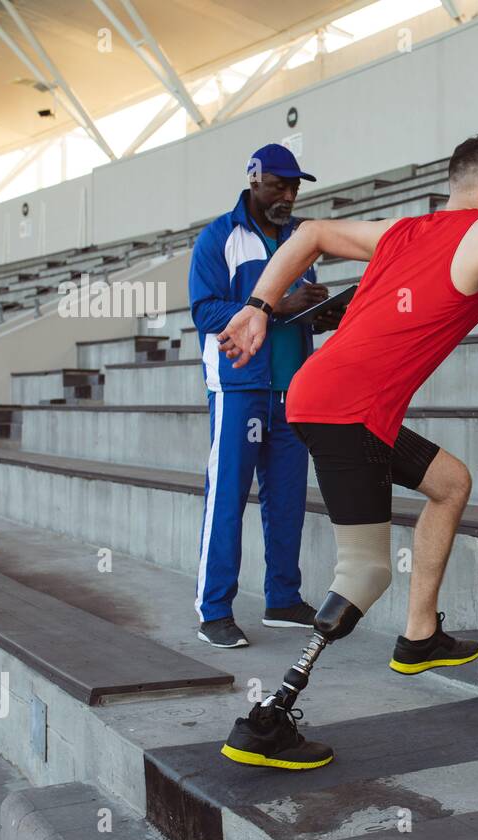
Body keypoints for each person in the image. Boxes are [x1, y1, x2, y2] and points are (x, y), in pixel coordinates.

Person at [215, 134, 478, 769]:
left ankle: (420, 634)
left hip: (325, 397)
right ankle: (267, 721)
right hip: (349, 411)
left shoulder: (405, 230)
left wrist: (259, 305)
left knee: (450, 482)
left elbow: (310, 232)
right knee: (365, 573)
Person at [187, 143, 341, 648]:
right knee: (228, 496)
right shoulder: (219, 238)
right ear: (253, 178)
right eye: (278, 183)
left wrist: (320, 313)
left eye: (295, 186)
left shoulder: (300, 241)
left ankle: (282, 598)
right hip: (238, 387)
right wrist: (276, 306)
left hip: (292, 388)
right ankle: (214, 609)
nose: (288, 194)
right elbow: (205, 313)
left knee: (289, 499)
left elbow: (296, 311)